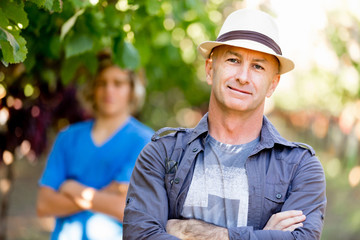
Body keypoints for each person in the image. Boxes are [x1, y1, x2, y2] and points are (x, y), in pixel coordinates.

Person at [123, 8, 326, 240]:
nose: (243, 76)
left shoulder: (300, 168)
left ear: (272, 84)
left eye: (258, 66)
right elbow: (140, 236)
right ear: (210, 70)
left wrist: (190, 231)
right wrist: (263, 236)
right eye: (233, 60)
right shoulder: (162, 153)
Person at [36, 58, 154, 240]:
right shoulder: (68, 137)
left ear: (132, 90)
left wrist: (72, 188)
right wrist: (109, 193)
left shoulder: (146, 142)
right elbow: (44, 205)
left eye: (118, 83)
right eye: (102, 83)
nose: (109, 90)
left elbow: (131, 212)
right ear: (92, 88)